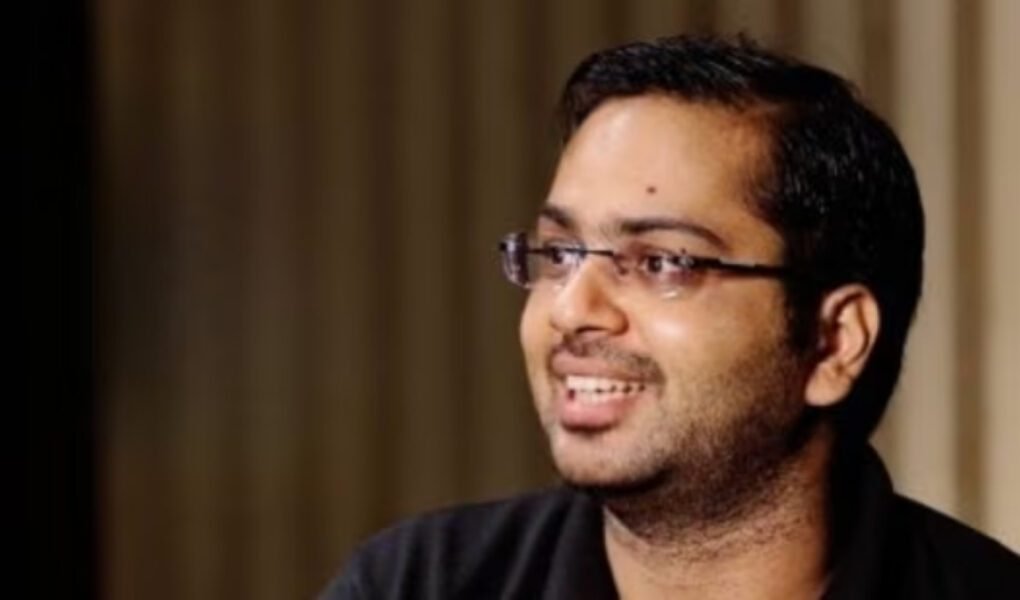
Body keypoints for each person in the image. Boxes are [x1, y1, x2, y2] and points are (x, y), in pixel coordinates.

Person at [322, 34, 1019, 599]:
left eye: (662, 263)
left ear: (833, 342)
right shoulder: (418, 583)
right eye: (560, 253)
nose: (571, 309)